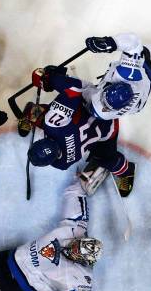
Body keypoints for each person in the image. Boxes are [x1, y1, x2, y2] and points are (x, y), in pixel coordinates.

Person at [21, 65, 135, 197]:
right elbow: (74, 89)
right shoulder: (53, 125)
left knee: (35, 114)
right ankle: (127, 171)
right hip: (106, 121)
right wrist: (49, 79)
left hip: (99, 120)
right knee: (108, 159)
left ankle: (28, 117)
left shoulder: (62, 164)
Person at [83, 31, 151, 120]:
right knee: (144, 51)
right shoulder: (127, 73)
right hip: (145, 79)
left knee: (138, 56)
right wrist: (109, 43)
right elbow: (134, 43)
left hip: (138, 104)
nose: (101, 103)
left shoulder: (102, 112)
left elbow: (93, 102)